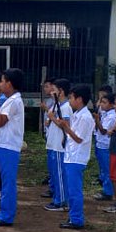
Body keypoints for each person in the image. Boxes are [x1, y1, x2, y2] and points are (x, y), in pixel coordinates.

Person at [0, 68, 26, 227]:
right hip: (3, 144)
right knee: (6, 181)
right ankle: (5, 212)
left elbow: (0, 121)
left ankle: (6, 216)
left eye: (2, 81)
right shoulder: (9, 99)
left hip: (8, 146)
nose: (0, 84)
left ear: (9, 83)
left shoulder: (14, 101)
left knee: (8, 182)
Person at [58, 84, 94, 230]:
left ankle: (77, 219)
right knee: (72, 189)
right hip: (71, 156)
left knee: (74, 191)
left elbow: (79, 138)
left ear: (79, 99)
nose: (70, 100)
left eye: (71, 98)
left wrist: (66, 128)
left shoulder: (85, 117)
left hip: (77, 158)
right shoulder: (78, 114)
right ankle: (74, 216)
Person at [43, 78, 72, 212]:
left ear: (61, 91)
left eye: (54, 89)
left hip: (59, 145)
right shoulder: (56, 105)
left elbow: (65, 125)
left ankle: (61, 201)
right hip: (52, 143)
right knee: (54, 173)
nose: (52, 92)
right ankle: (57, 197)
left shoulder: (65, 107)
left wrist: (53, 118)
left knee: (60, 174)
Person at [93, 89, 115, 200]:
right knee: (104, 168)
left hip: (106, 145)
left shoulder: (111, 116)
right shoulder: (106, 113)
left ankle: (108, 192)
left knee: (107, 169)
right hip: (101, 144)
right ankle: (106, 188)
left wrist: (97, 119)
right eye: (101, 102)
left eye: (104, 102)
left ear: (111, 104)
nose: (101, 105)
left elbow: (103, 130)